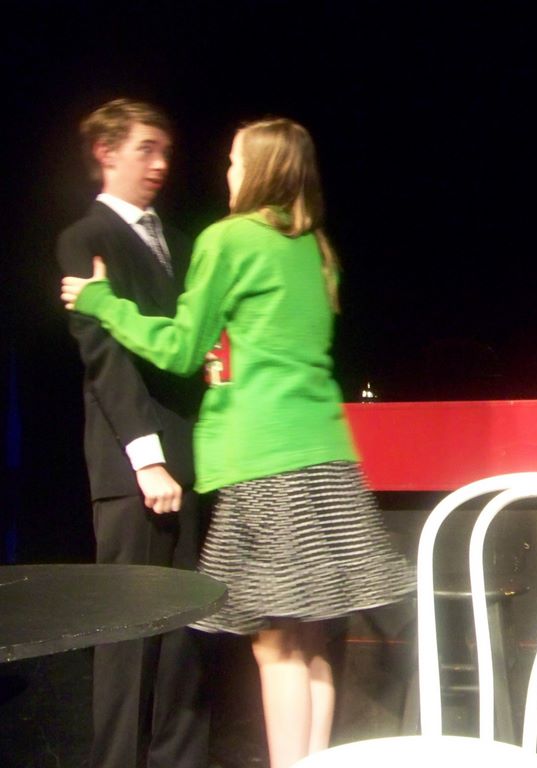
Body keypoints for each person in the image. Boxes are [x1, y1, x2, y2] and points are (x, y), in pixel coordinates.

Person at [62, 116, 414, 768]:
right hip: (327, 457)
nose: (227, 172)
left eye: (234, 161)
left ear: (259, 169)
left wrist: (102, 301)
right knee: (311, 637)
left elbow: (180, 347)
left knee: (274, 645)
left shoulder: (227, 238)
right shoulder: (314, 249)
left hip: (265, 459)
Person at [58, 98, 208, 768]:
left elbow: (187, 343)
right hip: (135, 466)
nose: (160, 163)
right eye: (146, 148)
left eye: (165, 150)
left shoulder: (178, 241)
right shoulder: (86, 236)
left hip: (191, 455)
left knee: (185, 635)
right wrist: (147, 461)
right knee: (128, 634)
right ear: (106, 151)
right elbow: (106, 361)